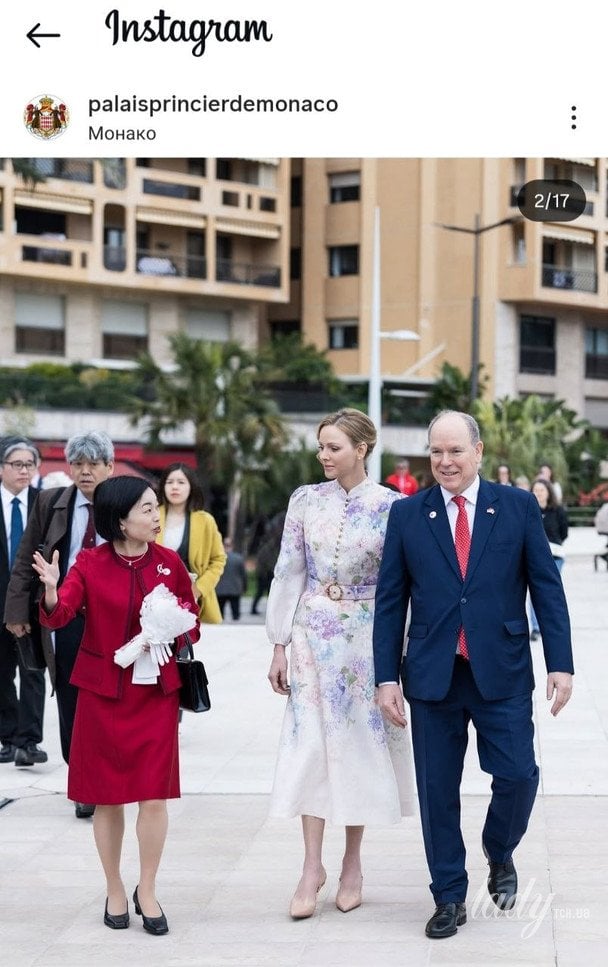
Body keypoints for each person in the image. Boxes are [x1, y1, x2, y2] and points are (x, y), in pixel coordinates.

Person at [373, 410, 574, 940]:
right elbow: (391, 603)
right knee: (436, 789)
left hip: (501, 670)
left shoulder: (517, 506)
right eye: (436, 452)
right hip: (432, 674)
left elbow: (546, 587)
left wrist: (560, 662)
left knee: (517, 775)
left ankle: (499, 847)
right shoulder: (409, 516)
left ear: (478, 451)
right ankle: (448, 895)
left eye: (455, 451)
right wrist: (385, 677)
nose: (445, 462)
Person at [32, 476, 200, 934]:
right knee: (107, 800)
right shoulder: (89, 563)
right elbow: (61, 613)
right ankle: (114, 888)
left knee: (154, 796)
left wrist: (170, 629)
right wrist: (49, 589)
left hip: (156, 696)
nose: (155, 514)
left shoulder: (169, 563)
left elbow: (193, 624)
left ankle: (148, 888)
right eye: (146, 509)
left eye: (155, 507)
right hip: (104, 695)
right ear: (120, 519)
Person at [267, 408, 414, 920]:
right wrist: (279, 642)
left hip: (367, 641)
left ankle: (352, 862)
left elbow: (402, 585)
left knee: (356, 749)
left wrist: (399, 654)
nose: (324, 456)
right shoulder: (304, 501)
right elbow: (288, 570)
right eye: (321, 447)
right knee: (310, 747)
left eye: (333, 447)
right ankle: (312, 867)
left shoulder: (394, 507)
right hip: (310, 635)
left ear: (362, 448)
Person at [4, 431, 115, 818]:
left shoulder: (124, 502)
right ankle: (82, 782)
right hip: (66, 614)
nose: (84, 472)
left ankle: (106, 777)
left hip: (115, 618)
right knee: (70, 699)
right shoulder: (51, 502)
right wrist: (17, 611)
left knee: (107, 702)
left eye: (92, 464)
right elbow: (24, 558)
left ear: (109, 467)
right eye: (78, 464)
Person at [0, 439, 46, 767]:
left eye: (29, 464)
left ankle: (28, 742)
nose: (24, 470)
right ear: (1, 468)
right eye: (17, 464)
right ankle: (7, 737)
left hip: (33, 604)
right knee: (1, 674)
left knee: (33, 672)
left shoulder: (44, 505)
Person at [156, 463, 225, 624]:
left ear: (191, 487)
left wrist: (198, 589)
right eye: (169, 482)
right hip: (154, 598)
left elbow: (218, 560)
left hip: (192, 601)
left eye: (181, 482)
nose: (175, 487)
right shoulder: (151, 515)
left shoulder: (205, 521)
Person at [528, 478, 569, 641]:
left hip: (555, 555)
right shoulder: (527, 509)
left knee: (550, 590)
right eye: (535, 490)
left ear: (548, 492)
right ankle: (536, 627)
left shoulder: (558, 510)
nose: (538, 493)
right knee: (534, 591)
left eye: (541, 490)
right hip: (532, 556)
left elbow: (564, 532)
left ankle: (552, 627)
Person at [250, 512, 285, 615]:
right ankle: (256, 609)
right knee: (261, 592)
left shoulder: (268, 548)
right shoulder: (267, 549)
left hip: (267, 573)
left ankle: (269, 610)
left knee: (267, 592)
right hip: (265, 574)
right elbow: (265, 563)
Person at [215, 537, 248, 620]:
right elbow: (243, 575)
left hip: (220, 589)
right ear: (232, 545)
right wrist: (244, 587)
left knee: (219, 614)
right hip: (235, 589)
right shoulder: (239, 558)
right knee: (236, 613)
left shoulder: (216, 559)